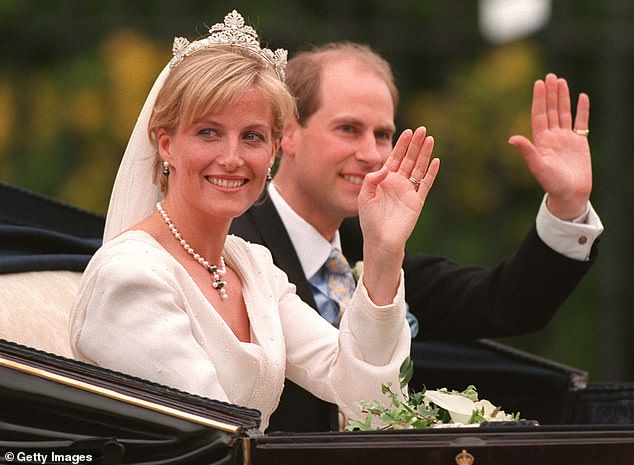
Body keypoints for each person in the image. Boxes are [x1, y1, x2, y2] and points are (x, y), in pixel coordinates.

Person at [69, 11, 440, 432]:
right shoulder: (131, 276)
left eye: (252, 136)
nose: (232, 157)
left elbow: (366, 397)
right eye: (209, 132)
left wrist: (383, 250)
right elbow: (211, 439)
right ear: (166, 144)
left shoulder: (253, 268)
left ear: (273, 154)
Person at [229, 42, 604, 431]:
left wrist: (566, 204)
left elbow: (505, 302)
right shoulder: (235, 248)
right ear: (289, 133)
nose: (372, 153)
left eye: (383, 134)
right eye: (348, 129)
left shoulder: (372, 245)